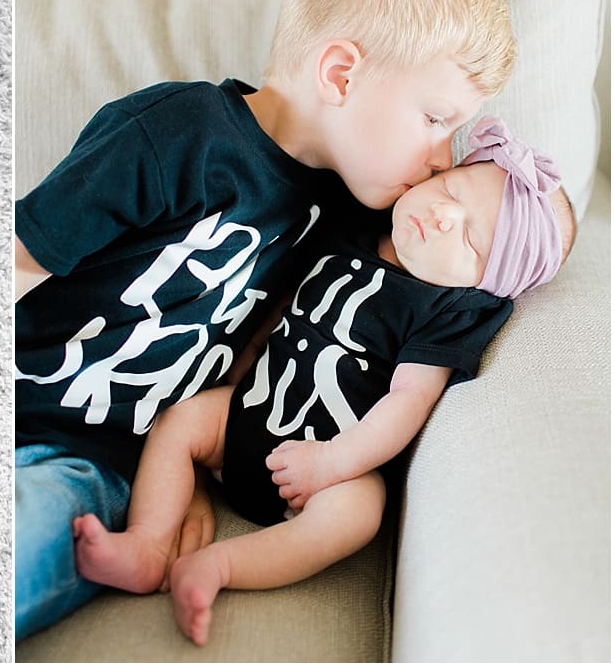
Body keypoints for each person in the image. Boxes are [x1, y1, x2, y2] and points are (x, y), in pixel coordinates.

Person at [14, 0, 519, 640]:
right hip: (5, 389)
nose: (445, 159)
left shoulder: (347, 226)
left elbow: (261, 353)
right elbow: (17, 261)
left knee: (16, 548)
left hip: (93, 462)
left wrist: (180, 476)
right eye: (436, 119)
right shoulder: (176, 134)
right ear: (341, 74)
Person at [70, 117, 576, 644]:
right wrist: (236, 377)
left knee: (360, 513)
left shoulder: (447, 310)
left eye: (471, 238)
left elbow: (408, 400)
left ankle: (220, 566)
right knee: (180, 421)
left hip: (327, 471)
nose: (444, 216)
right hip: (245, 413)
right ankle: (147, 544)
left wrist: (335, 462)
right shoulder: (350, 227)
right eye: (451, 189)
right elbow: (278, 311)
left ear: (484, 285)